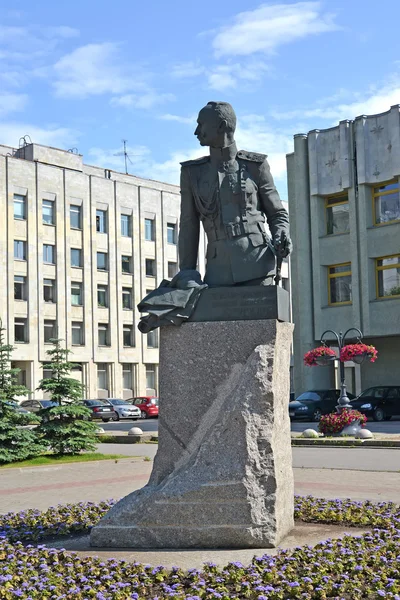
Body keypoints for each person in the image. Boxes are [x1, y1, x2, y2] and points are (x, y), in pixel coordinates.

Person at [179, 101, 292, 287]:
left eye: (201, 124)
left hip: (258, 265)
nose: (196, 131)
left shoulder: (255, 166)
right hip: (218, 272)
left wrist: (281, 235)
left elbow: (277, 213)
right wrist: (186, 273)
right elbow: (188, 225)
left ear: (221, 126)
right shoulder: (192, 173)